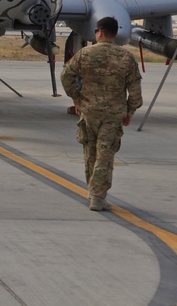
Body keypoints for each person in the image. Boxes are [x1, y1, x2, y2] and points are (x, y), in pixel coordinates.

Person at [60, 16, 143, 211]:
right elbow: (135, 91)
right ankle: (97, 195)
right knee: (105, 154)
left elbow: (66, 77)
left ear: (100, 32)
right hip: (113, 115)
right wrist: (130, 111)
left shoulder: (84, 54)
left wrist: (77, 99)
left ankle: (93, 193)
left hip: (89, 112)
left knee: (90, 152)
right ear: (114, 33)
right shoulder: (126, 57)